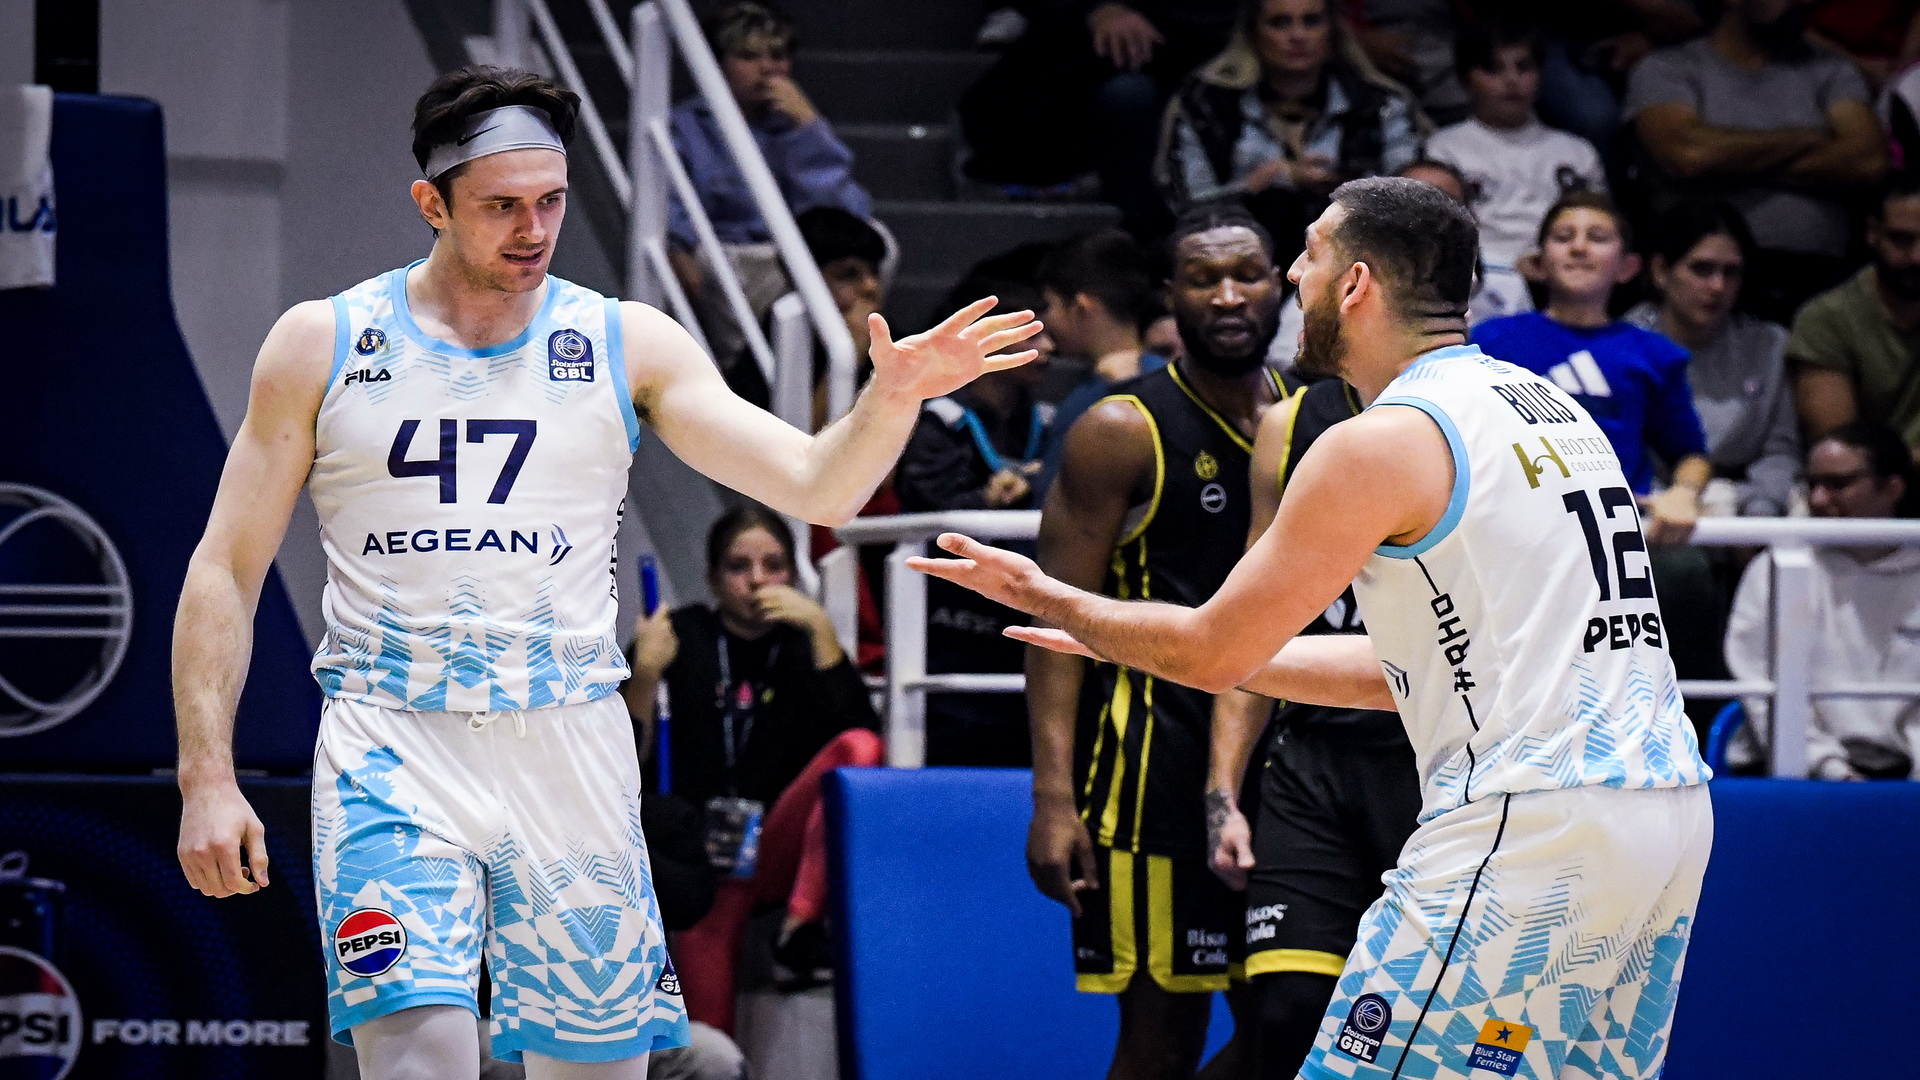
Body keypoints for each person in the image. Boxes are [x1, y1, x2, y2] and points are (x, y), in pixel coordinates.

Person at [169, 65, 1040, 1080]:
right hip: (393, 742)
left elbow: (818, 486)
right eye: (501, 206)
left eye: (551, 201)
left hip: (571, 744)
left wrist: (890, 401)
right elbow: (224, 568)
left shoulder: (625, 341)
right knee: (417, 1061)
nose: (533, 229)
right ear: (431, 203)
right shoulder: (322, 342)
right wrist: (206, 777)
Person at [920, 177, 1713, 1080]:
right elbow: (1406, 667)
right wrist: (1126, 634)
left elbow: (1213, 649)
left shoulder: (1381, 439)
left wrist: (1059, 601)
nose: (1294, 276)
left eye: (1308, 254)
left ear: (1356, 283)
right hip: (1665, 820)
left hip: (1528, 821)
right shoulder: (1550, 409)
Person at [1025, 204, 1293, 1080]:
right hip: (1149, 778)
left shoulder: (1318, 417)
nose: (1228, 296)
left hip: (1287, 774)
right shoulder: (1120, 430)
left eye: (1246, 274)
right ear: (1168, 299)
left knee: (1288, 1033)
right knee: (1161, 1044)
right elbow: (1055, 621)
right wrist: (1053, 798)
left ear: (1280, 285)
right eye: (1203, 279)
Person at [1205, 372, 1421, 1079]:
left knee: (1425, 1031)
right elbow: (1247, 622)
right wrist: (1222, 796)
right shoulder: (1290, 425)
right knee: (1286, 1014)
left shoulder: (1478, 416)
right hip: (1312, 763)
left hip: (1435, 768)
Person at [624, 507, 881, 1030]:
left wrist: (821, 629)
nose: (757, 581)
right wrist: (645, 672)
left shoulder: (802, 642)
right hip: (700, 858)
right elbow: (623, 762)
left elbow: (863, 757)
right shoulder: (682, 635)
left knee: (859, 747)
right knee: (710, 1038)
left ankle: (799, 928)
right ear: (714, 578)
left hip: (776, 845)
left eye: (774, 565)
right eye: (739, 567)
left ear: (793, 575)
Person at [1473, 193, 1710, 544]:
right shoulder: (1488, 342)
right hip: (1508, 527)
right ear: (1538, 263)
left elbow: (1690, 452)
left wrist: (1684, 493)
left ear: (1628, 267)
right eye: (1563, 237)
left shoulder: (1654, 354)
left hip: (1614, 532)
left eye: (1597, 238)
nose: (1579, 248)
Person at [1626, 0, 1886, 315]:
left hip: (1818, 280)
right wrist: (1806, 138)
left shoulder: (1830, 70)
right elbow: (1689, 155)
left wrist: (1728, 162)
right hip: (1703, 276)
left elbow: (1868, 162)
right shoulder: (1668, 68)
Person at [896, 287, 1059, 767]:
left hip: (1022, 622)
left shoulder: (1052, 421)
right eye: (1033, 334)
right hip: (952, 629)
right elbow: (925, 507)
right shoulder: (936, 420)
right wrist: (983, 499)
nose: (1048, 348)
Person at [668, 1, 872, 365]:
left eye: (777, 56)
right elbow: (670, 205)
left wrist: (808, 127)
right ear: (719, 63)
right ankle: (755, 371)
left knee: (877, 244)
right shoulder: (684, 125)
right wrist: (678, 251)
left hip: (800, 250)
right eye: (748, 56)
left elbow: (845, 214)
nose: (767, 68)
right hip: (735, 252)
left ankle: (842, 363)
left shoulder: (795, 121)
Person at [1156, 0, 1424, 272]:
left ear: (1332, 30)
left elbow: (1410, 200)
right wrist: (1257, 184)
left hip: (1361, 257)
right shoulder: (1206, 105)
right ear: (1253, 33)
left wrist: (1346, 184)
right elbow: (1186, 207)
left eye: (1312, 21)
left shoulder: (1378, 103)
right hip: (1233, 261)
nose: (1297, 36)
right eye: (1279, 23)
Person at [1725, 422, 1920, 779]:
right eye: (1811, 484)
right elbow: (1757, 687)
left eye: (1838, 484)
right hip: (1793, 775)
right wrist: (1829, 769)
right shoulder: (1774, 567)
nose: (1816, 500)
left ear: (1892, 488)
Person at [959, 0, 1242, 235]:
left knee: (1131, 93)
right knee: (1123, 91)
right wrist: (1098, 9)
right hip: (1084, 60)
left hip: (1197, 60)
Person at [1623, 200, 1800, 518]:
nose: (1717, 286)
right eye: (1701, 269)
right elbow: (1625, 454)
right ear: (1661, 271)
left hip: (1748, 507)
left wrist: (1759, 510)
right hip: (1651, 510)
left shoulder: (1769, 345)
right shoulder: (1622, 346)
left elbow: (1780, 450)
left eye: (1731, 272)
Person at [1426, 19, 1607, 324]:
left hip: (1562, 275)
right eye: (1493, 69)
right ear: (1465, 80)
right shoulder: (1445, 149)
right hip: (1481, 280)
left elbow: (1601, 225)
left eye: (1524, 67)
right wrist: (1506, 266)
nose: (1512, 80)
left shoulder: (1576, 152)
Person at [1790, 175, 1920, 461]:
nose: (1916, 257)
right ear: (1873, 233)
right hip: (1868, 484)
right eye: (1902, 240)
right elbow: (1841, 452)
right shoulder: (1827, 320)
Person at [1034, 229, 1167, 496]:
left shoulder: (1091, 399)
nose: (1045, 320)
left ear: (1081, 306)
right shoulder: (1172, 378)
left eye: (1049, 306)